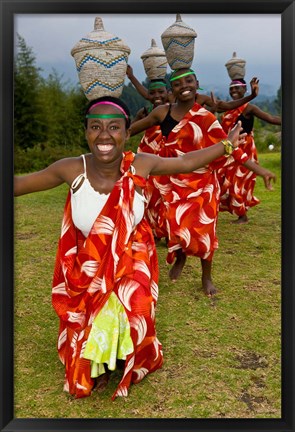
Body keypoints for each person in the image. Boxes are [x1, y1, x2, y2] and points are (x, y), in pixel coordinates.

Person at [14, 95, 248, 400]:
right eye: (95, 127)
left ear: (127, 132)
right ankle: (99, 363)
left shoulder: (141, 163)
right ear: (85, 132)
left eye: (114, 127)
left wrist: (226, 144)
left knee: (134, 302)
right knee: (94, 311)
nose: (104, 135)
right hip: (88, 260)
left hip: (132, 253)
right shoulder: (71, 168)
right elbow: (20, 183)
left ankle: (124, 353)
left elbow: (186, 161)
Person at [129, 68, 276, 296]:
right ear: (172, 89)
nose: (184, 86)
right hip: (172, 183)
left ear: (197, 83)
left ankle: (206, 276)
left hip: (203, 184)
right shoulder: (161, 112)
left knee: (205, 230)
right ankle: (180, 257)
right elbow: (132, 129)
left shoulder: (206, 117)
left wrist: (261, 170)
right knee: (175, 227)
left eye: (189, 81)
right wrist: (111, 133)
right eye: (178, 83)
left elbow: (231, 149)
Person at [216, 78, 281, 224]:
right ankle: (238, 211)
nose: (233, 91)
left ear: (245, 90)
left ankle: (242, 214)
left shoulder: (249, 108)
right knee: (225, 180)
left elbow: (270, 118)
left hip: (245, 148)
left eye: (237, 88)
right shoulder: (227, 108)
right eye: (231, 88)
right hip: (229, 148)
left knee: (238, 182)